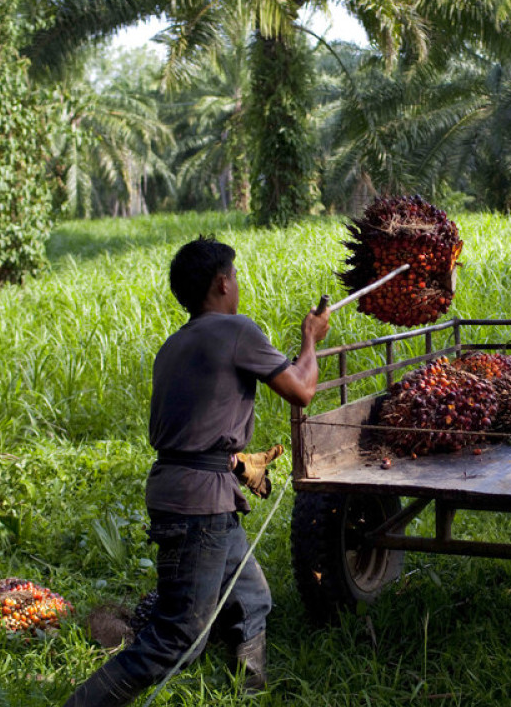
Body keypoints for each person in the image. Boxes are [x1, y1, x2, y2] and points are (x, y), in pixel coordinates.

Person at [65, 236, 330, 706]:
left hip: (187, 490)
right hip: (200, 503)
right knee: (177, 636)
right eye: (236, 277)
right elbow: (301, 390)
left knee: (251, 599)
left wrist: (231, 459)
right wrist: (311, 339)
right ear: (222, 282)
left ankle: (247, 692)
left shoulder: (173, 346)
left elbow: (193, 424)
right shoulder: (236, 330)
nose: (238, 286)